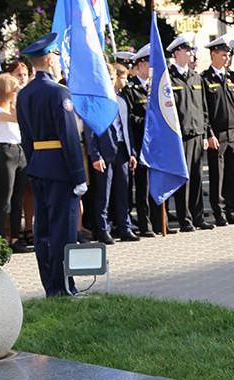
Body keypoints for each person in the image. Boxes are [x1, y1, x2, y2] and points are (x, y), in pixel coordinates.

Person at [16, 33, 87, 297]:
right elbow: (69, 137)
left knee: (43, 231)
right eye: (56, 57)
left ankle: (51, 286)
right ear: (48, 59)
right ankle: (64, 286)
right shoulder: (59, 92)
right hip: (60, 169)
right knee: (63, 231)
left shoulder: (24, 94)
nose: (58, 62)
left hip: (38, 166)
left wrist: (35, 162)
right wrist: (79, 175)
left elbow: (26, 137)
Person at [84, 63, 138, 244]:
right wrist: (95, 155)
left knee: (123, 192)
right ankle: (102, 229)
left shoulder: (121, 100)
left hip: (122, 151)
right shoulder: (95, 102)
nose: (111, 81)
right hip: (104, 151)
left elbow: (127, 128)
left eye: (113, 78)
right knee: (103, 194)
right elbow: (90, 132)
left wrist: (131, 152)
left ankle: (125, 227)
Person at [167, 33, 211, 232]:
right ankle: (184, 219)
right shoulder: (169, 78)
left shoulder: (196, 77)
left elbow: (203, 107)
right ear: (177, 53)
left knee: (197, 178)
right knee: (183, 179)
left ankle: (198, 216)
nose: (191, 53)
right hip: (180, 136)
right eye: (187, 50)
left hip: (197, 133)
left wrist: (205, 133)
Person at [201, 35, 234, 227]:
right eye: (223, 55)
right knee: (217, 175)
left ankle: (230, 209)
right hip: (217, 134)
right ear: (213, 55)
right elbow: (204, 110)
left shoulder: (233, 78)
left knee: (232, 173)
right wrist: (209, 134)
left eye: (228, 55)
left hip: (233, 132)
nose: (227, 58)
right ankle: (218, 212)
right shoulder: (204, 78)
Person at [0, 73, 31, 253]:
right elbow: (15, 118)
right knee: (6, 197)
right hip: (5, 151)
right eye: (14, 90)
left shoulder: (11, 107)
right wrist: (16, 102)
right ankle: (0, 237)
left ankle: (15, 238)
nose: (16, 93)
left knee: (18, 198)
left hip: (20, 150)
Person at [123, 45, 159, 238]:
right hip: (141, 144)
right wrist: (148, 122)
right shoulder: (131, 89)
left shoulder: (157, 87)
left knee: (157, 183)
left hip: (156, 145)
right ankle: (146, 225)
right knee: (143, 186)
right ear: (141, 64)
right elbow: (129, 117)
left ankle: (159, 222)